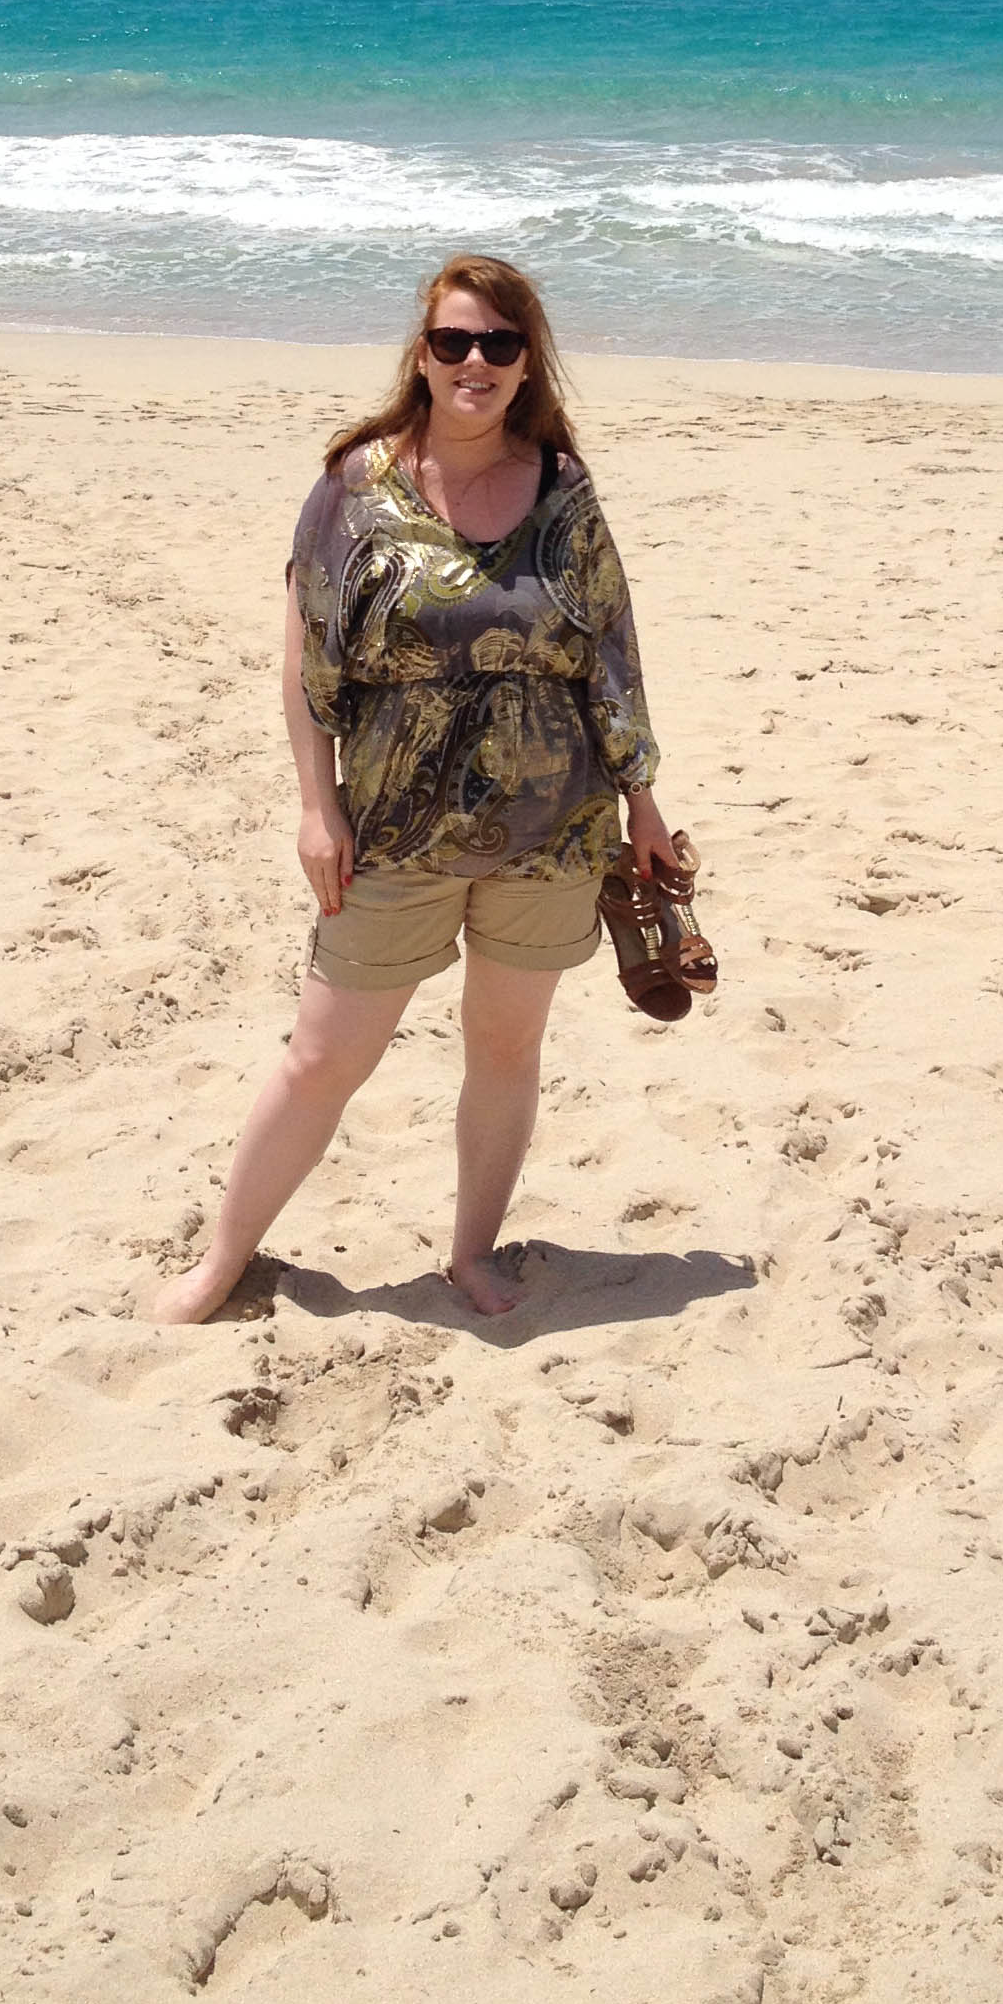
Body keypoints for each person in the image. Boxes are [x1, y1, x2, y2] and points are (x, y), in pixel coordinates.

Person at [155, 253, 677, 1323]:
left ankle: (473, 1254)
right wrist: (316, 805)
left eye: (498, 343)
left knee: (504, 1048)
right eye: (452, 342)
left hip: (551, 833)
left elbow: (610, 653)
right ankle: (221, 1260)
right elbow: (305, 659)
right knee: (320, 1059)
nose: (474, 362)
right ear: (423, 356)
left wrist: (643, 802)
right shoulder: (357, 483)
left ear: (529, 362)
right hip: (391, 830)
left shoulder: (562, 490)